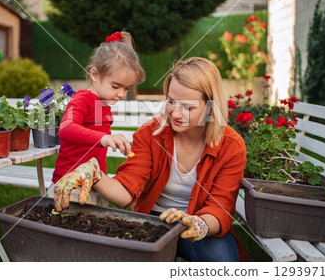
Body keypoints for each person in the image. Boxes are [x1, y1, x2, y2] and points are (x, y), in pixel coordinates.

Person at [54, 57, 248, 262]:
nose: (176, 113)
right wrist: (96, 175)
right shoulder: (151, 134)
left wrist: (199, 224)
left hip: (200, 222)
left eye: (188, 107)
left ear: (210, 107)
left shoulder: (230, 146)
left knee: (222, 262)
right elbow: (126, 190)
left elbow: (221, 207)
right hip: (154, 219)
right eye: (171, 102)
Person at [52, 31, 146, 184]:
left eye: (126, 88)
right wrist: (104, 138)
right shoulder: (82, 98)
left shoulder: (102, 103)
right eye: (116, 86)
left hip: (95, 181)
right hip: (70, 182)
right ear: (95, 75)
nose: (121, 94)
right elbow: (66, 128)